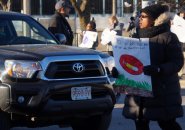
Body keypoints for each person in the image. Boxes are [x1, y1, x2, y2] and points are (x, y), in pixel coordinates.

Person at [113, 4, 184, 130]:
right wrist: (119, 70)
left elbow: (177, 62)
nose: (139, 19)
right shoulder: (135, 37)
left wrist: (159, 69)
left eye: (143, 16)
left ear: (155, 19)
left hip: (162, 91)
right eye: (139, 16)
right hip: (139, 93)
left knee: (167, 124)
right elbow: (128, 61)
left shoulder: (168, 37)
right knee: (140, 124)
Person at [177, 6, 185, 79]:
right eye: (181, 13)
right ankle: (180, 73)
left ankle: (183, 73)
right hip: (179, 42)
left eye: (183, 13)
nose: (182, 14)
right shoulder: (176, 22)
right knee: (180, 57)